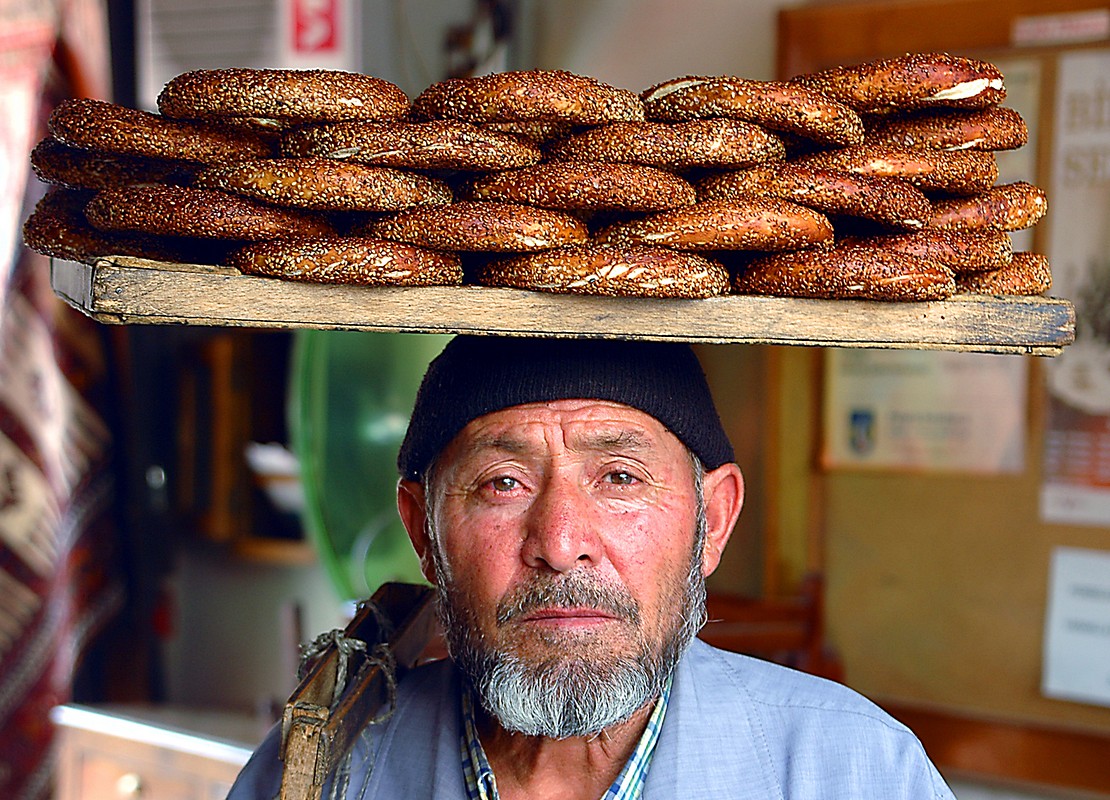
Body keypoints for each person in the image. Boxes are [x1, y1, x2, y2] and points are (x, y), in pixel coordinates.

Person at [228, 335, 956, 799]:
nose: (561, 541)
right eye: (502, 484)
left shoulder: (856, 772)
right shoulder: (326, 771)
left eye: (620, 478)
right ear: (424, 533)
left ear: (715, 521)